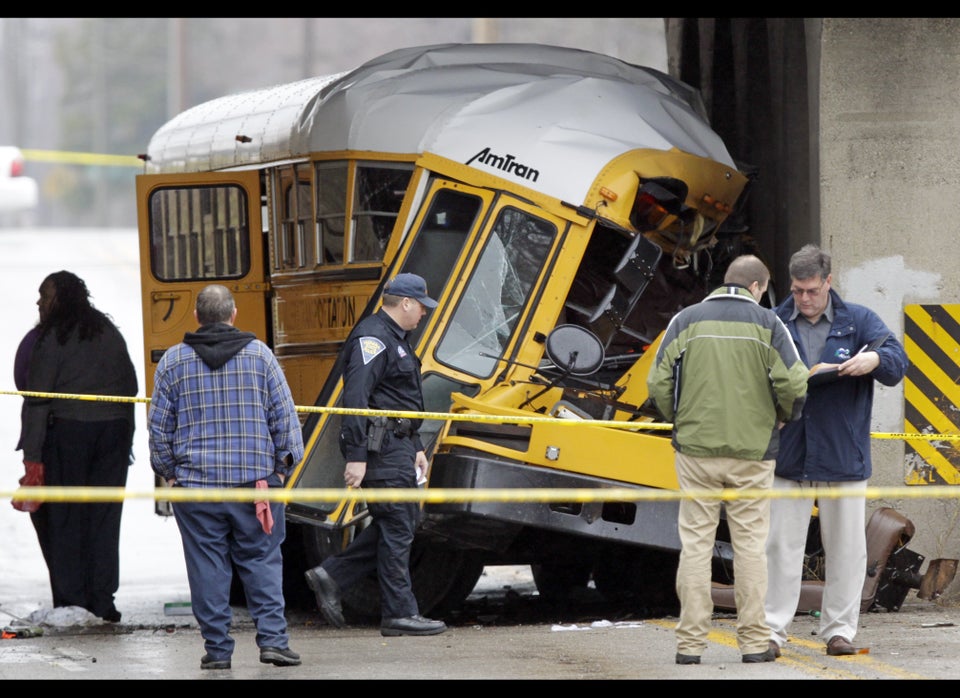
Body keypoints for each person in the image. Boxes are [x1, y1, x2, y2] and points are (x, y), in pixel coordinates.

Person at [647, 254, 809, 665]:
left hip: (696, 450)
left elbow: (657, 381)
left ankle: (689, 645)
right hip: (753, 454)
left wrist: (677, 418)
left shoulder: (685, 320)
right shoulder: (770, 324)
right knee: (751, 547)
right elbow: (794, 380)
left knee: (696, 544)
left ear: (726, 282)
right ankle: (754, 643)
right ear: (757, 287)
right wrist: (784, 416)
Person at [148, 284, 305, 670]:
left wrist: (170, 474)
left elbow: (158, 430)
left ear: (197, 318)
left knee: (207, 566)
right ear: (234, 314)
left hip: (197, 490)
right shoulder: (262, 358)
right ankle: (273, 641)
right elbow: (285, 422)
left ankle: (217, 650)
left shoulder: (172, 362)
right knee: (263, 561)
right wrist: (282, 468)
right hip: (256, 487)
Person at [765, 244, 908, 657]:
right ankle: (773, 630)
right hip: (789, 451)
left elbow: (898, 365)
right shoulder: (774, 322)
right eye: (797, 291)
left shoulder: (859, 320)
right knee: (779, 546)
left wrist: (875, 359)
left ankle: (839, 631)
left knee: (846, 549)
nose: (804, 299)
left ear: (829, 282)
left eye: (812, 290)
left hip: (842, 455)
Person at [304, 272, 448, 637]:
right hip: (378, 448)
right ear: (405, 303)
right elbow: (356, 399)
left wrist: (415, 445)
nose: (424, 315)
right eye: (421, 308)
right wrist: (356, 455)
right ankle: (400, 613)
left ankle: (332, 575)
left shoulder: (394, 338)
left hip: (396, 445)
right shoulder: (374, 339)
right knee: (399, 525)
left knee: (398, 523)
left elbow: (397, 400)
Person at [17, 270, 139, 622]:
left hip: (67, 435)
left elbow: (37, 400)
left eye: (44, 296)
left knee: (64, 518)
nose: (39, 303)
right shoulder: (108, 332)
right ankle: (102, 601)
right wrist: (124, 441)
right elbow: (129, 387)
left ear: (59, 299)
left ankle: (71, 602)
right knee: (104, 518)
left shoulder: (53, 336)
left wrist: (32, 457)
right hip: (112, 436)